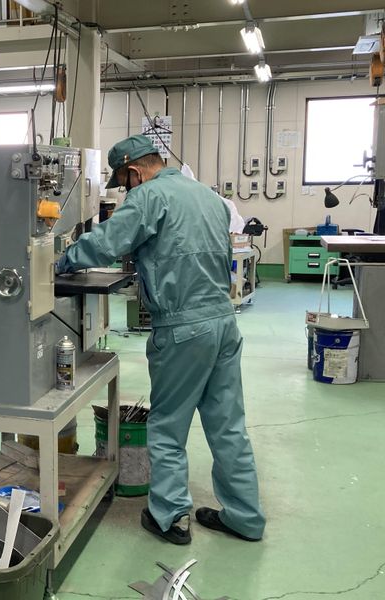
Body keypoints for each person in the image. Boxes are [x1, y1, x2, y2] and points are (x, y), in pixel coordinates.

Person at [56, 135, 265, 545]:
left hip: (183, 328)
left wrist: (61, 259)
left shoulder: (148, 196)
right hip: (223, 322)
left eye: (123, 182)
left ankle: (169, 517)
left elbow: (107, 243)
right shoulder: (208, 197)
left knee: (167, 427)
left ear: (134, 172)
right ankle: (245, 517)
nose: (126, 191)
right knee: (228, 426)